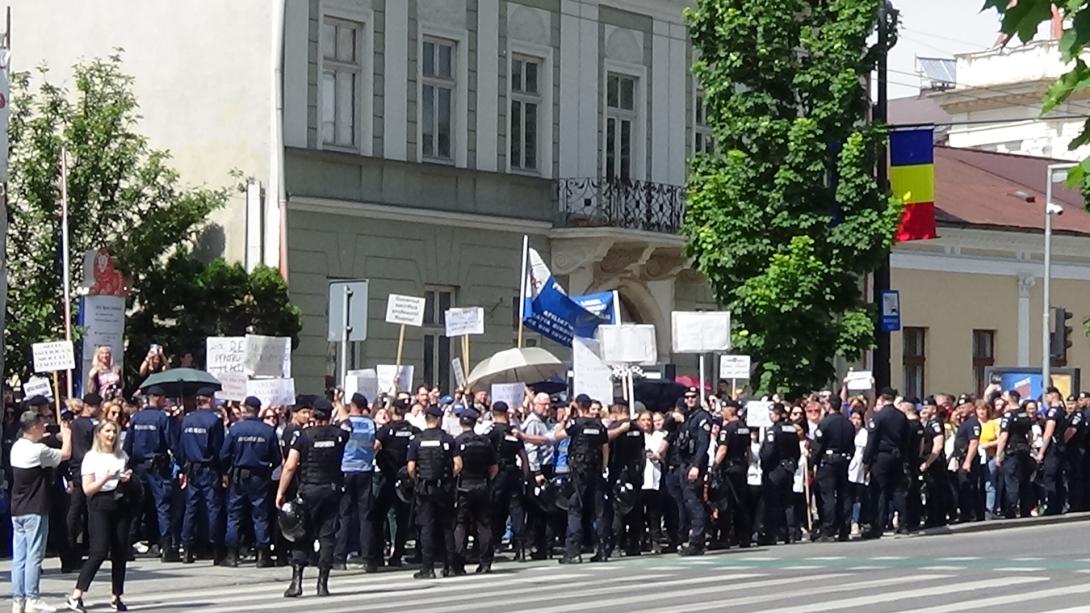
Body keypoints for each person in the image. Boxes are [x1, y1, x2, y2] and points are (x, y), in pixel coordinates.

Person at [276, 399, 348, 598]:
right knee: (327, 536)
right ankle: (322, 584)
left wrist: (281, 492)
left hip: (309, 489)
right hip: (332, 489)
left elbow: (290, 466)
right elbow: (347, 421)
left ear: (314, 415)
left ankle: (296, 582)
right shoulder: (340, 435)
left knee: (301, 533)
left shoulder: (303, 436)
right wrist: (338, 404)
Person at [66, 421, 134, 613]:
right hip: (99, 504)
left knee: (120, 552)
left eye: (114, 431)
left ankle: (116, 596)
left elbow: (127, 475)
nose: (111, 435)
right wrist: (106, 478)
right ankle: (76, 595)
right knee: (99, 552)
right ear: (99, 434)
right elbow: (88, 489)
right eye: (107, 431)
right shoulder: (91, 458)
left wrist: (126, 478)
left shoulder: (122, 456)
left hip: (120, 502)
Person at [11, 406, 72, 613]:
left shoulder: (18, 447)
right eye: (41, 425)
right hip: (35, 507)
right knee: (34, 555)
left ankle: (18, 599)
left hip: (17, 508)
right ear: (35, 427)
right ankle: (32, 597)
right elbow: (65, 454)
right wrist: (67, 435)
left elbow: (40, 446)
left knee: (19, 557)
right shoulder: (38, 451)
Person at [220, 396, 281, 568]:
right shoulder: (268, 431)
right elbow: (277, 458)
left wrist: (227, 471)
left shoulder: (235, 429)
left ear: (246, 409)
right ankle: (263, 556)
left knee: (234, 515)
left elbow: (224, 455)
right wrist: (267, 470)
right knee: (260, 516)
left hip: (239, 476)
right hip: (259, 477)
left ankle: (232, 556)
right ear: (258, 409)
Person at [123, 386, 179, 562]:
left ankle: (127, 546)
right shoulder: (163, 418)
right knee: (162, 506)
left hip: (138, 467)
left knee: (135, 508)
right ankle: (167, 547)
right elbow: (172, 444)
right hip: (157, 468)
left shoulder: (136, 417)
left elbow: (128, 445)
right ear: (158, 398)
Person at [406, 404, 460, 579]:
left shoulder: (416, 440)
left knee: (427, 528)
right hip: (443, 488)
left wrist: (418, 481)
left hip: (425, 488)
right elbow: (458, 465)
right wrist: (448, 479)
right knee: (446, 527)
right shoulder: (448, 439)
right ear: (438, 420)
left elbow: (411, 467)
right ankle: (450, 566)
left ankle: (427, 568)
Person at [175, 388, 226, 565]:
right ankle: (216, 548)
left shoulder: (187, 419)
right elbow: (219, 448)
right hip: (209, 468)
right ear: (210, 400)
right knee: (213, 508)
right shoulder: (214, 420)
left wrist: (183, 468)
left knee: (191, 508)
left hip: (192, 468)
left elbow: (180, 447)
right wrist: (223, 471)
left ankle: (187, 548)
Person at [559, 395, 609, 564]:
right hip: (596, 470)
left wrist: (566, 417)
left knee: (575, 509)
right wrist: (603, 466)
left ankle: (573, 552)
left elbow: (558, 435)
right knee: (599, 511)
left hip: (579, 472)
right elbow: (605, 448)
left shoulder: (576, 424)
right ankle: (602, 550)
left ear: (578, 406)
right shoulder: (599, 425)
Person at [372, 401, 419, 569]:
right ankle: (397, 555)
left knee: (377, 517)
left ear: (393, 411)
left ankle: (377, 556)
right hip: (407, 481)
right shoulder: (413, 430)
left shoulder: (386, 430)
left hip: (388, 479)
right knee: (402, 520)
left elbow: (375, 447)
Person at [452, 406, 498, 574]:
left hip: (463, 486)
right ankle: (485, 563)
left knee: (460, 525)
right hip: (482, 485)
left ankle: (458, 564)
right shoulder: (485, 442)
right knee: (484, 525)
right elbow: (494, 468)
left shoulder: (456, 441)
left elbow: (456, 466)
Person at [333, 393, 376, 572]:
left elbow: (345, 422)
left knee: (344, 515)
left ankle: (339, 558)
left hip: (346, 470)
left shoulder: (347, 423)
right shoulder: (370, 424)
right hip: (365, 470)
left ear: (352, 405)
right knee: (365, 516)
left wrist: (336, 401)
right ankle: (368, 559)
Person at [862, 388, 909, 539]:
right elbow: (906, 438)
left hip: (881, 456)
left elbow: (872, 441)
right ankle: (903, 524)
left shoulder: (879, 417)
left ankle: (878, 525)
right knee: (898, 490)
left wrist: (866, 461)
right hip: (897, 455)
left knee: (879, 491)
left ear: (882, 398)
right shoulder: (901, 416)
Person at [485, 401, 528, 561]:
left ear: (492, 412)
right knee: (516, 510)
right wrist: (524, 477)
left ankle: (492, 544)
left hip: (497, 473)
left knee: (493, 509)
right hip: (513, 474)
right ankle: (520, 547)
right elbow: (524, 458)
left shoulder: (492, 432)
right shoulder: (514, 433)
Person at [64, 394, 102, 573]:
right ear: (90, 406)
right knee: (84, 512)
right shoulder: (89, 425)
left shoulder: (75, 424)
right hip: (86, 471)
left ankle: (72, 548)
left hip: (76, 469)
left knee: (76, 512)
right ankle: (77, 548)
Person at [811, 399, 855, 542]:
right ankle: (844, 529)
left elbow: (818, 446)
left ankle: (828, 529)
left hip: (828, 461)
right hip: (844, 460)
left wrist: (814, 462)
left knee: (827, 496)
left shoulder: (825, 423)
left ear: (829, 406)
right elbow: (851, 446)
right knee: (844, 495)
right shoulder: (848, 423)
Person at [711, 401, 752, 548]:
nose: (722, 413)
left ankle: (724, 538)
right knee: (741, 503)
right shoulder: (745, 428)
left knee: (726, 504)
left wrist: (715, 466)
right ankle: (744, 537)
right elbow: (748, 452)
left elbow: (722, 449)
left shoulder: (727, 429)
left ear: (730, 411)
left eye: (724, 410)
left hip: (729, 469)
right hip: (741, 468)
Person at [676, 390, 712, 556]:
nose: (690, 400)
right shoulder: (689, 417)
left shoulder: (702, 417)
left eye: (693, 397)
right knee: (690, 501)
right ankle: (697, 537)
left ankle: (697, 540)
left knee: (693, 501)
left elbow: (703, 444)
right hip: (685, 463)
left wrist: (696, 466)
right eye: (687, 397)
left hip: (694, 464)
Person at [996, 395, 1034, 519]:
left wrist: (998, 454)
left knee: (1011, 482)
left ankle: (1010, 511)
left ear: (1010, 399)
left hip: (1012, 451)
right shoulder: (1025, 415)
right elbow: (1030, 434)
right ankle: (1025, 510)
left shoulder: (1008, 416)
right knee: (1025, 482)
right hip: (1024, 450)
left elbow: (1003, 436)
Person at [1037, 389, 1068, 516]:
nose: (1046, 397)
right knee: (1059, 477)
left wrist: (1041, 453)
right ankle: (1059, 505)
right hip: (1060, 448)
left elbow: (1048, 433)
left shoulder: (1053, 412)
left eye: (1047, 395)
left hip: (1053, 449)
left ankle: (1052, 506)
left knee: (1049, 477)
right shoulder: (1063, 411)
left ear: (1053, 395)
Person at [919, 399, 948, 528]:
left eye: (927, 407)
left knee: (935, 490)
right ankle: (933, 517)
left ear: (934, 409)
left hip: (935, 462)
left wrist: (928, 462)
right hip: (930, 461)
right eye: (923, 407)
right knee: (931, 491)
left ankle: (935, 518)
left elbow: (938, 443)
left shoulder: (935, 423)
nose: (924, 409)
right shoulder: (929, 422)